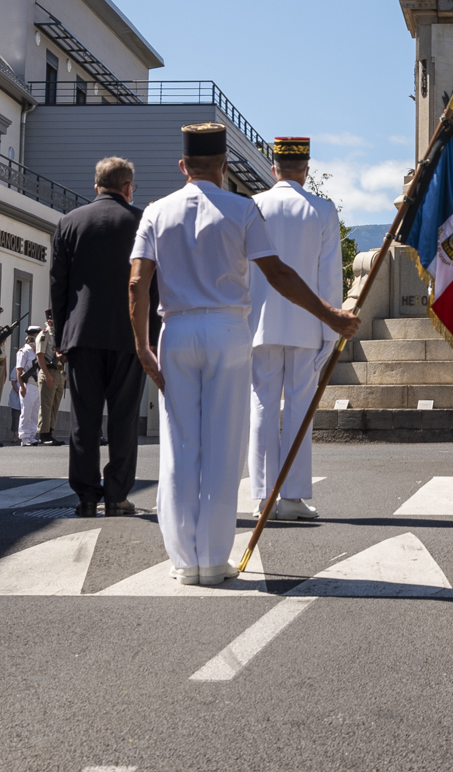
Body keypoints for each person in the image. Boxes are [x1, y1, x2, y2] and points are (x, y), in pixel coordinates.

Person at [130, 123, 355, 583]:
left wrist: (141, 345)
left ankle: (183, 560)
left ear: (182, 166)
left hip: (176, 328)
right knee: (221, 445)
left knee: (180, 446)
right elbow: (280, 274)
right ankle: (213, 559)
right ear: (224, 166)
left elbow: (137, 282)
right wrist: (330, 317)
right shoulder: (243, 208)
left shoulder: (155, 210)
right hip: (230, 327)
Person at [249, 136, 344, 509]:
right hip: (306, 323)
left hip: (261, 324)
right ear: (305, 171)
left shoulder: (253, 206)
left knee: (262, 406)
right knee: (300, 408)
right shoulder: (322, 209)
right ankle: (292, 498)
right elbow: (328, 277)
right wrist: (329, 330)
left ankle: (262, 496)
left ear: (274, 169)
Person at [51, 157, 147, 518]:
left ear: (96, 186)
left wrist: (61, 336)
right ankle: (117, 494)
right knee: (123, 418)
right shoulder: (140, 222)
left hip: (81, 333)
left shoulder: (68, 222)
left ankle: (87, 495)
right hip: (128, 333)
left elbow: (58, 284)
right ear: (127, 187)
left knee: (84, 419)